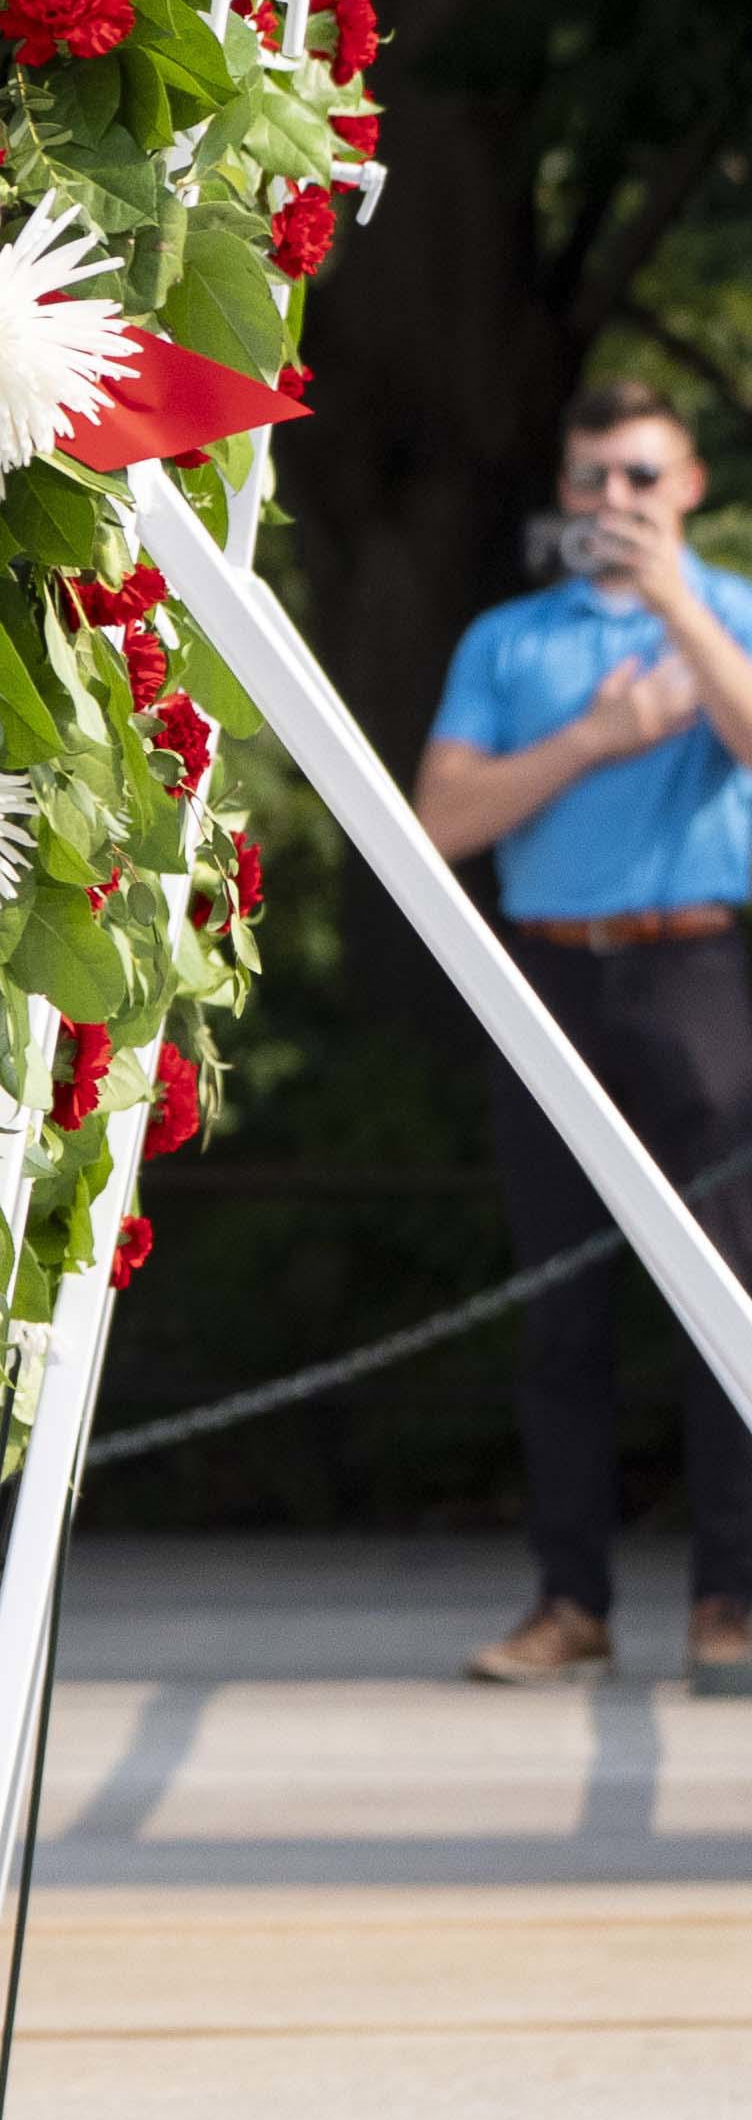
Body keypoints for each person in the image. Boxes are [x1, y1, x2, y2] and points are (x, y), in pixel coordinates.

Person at [415, 378, 752, 1689]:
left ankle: (730, 1599)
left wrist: (678, 607)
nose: (616, 503)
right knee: (560, 1304)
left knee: (726, 1296)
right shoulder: (509, 642)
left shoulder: (728, 613)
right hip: (547, 979)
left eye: (642, 479)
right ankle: (573, 1602)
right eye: (595, 478)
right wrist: (600, 737)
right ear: (565, 491)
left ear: (690, 490)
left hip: (700, 973)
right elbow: (441, 817)